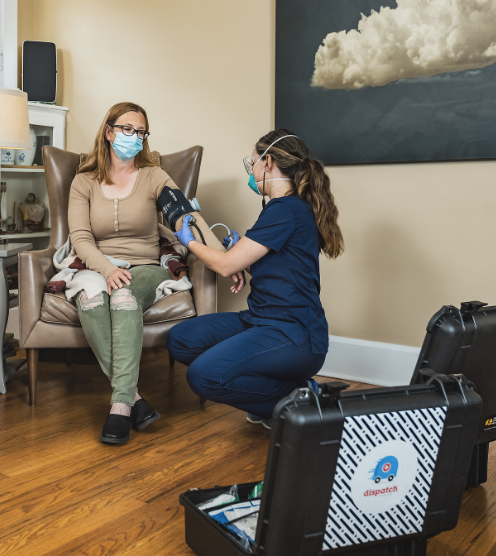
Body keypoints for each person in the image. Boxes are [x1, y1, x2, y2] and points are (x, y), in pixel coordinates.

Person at [166, 130, 344, 428]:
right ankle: (268, 402)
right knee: (182, 339)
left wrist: (190, 242)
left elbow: (223, 267)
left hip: (294, 334)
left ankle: (302, 397)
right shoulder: (285, 208)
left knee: (204, 376)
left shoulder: (286, 209)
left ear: (269, 162)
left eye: (254, 163)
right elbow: (282, 267)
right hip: (260, 320)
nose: (253, 171)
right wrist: (241, 258)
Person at [68, 102, 187, 445]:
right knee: (91, 297)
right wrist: (105, 269)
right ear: (109, 132)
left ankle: (119, 406)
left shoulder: (155, 176)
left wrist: (220, 254)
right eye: (127, 129)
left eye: (141, 132)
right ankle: (134, 398)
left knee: (123, 296)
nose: (135, 137)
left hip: (145, 266)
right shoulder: (83, 182)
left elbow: (184, 218)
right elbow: (80, 238)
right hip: (95, 263)